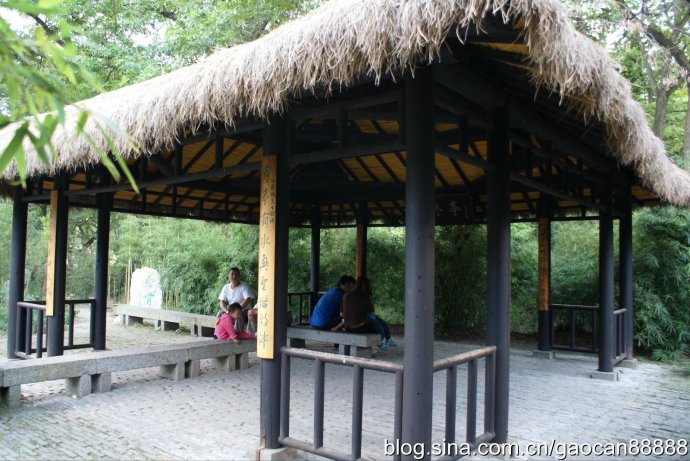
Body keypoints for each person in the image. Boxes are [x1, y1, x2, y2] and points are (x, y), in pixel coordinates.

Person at [332, 276, 396, 351]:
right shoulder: (365, 296)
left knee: (377, 321)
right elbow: (372, 314)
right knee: (379, 324)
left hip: (348, 327)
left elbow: (341, 314)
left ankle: (387, 339)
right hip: (360, 328)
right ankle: (385, 340)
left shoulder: (345, 295)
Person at [218, 267, 255, 332]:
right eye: (232, 274)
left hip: (244, 310)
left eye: (236, 274)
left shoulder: (244, 286)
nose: (234, 276)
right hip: (231, 310)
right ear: (228, 275)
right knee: (220, 313)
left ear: (239, 276)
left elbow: (248, 299)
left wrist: (238, 309)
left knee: (238, 314)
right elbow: (221, 302)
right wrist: (227, 311)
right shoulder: (226, 287)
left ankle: (239, 334)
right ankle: (220, 333)